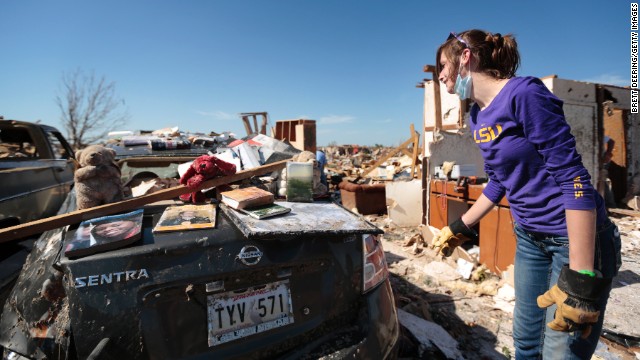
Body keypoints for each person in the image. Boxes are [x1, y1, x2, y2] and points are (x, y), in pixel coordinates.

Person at [431, 29, 622, 359]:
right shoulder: (477, 116)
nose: (440, 76)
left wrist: (581, 279)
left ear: (465, 58)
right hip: (530, 239)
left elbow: (573, 177)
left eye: (441, 67)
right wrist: (459, 227)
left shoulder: (524, 94)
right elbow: (500, 182)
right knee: (526, 344)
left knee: (562, 350)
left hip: (572, 241)